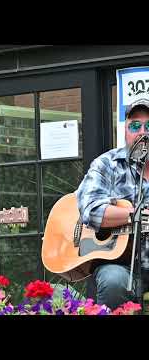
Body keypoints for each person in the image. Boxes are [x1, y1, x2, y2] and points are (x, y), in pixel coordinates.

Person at [76, 98, 149, 310]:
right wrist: (135, 215)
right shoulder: (107, 164)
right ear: (125, 130)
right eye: (135, 125)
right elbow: (90, 208)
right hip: (119, 263)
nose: (142, 132)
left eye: (148, 126)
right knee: (114, 281)